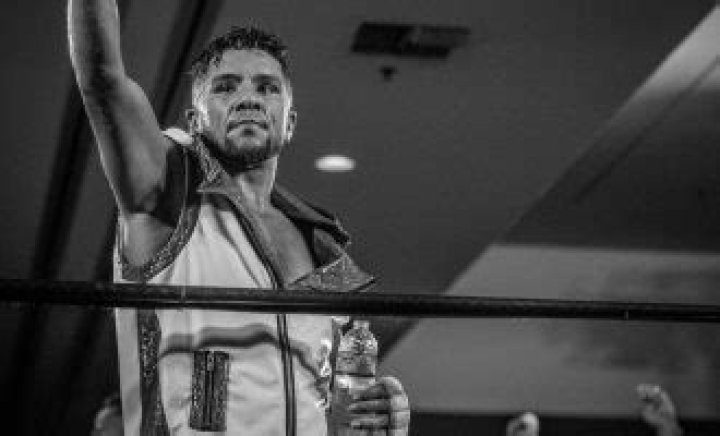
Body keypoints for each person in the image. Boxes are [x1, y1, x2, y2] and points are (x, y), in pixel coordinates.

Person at [67, 0, 410, 434]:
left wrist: (379, 416)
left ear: (290, 122)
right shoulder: (168, 190)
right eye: (226, 87)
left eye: (267, 88)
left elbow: (329, 408)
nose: (248, 98)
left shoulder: (322, 247)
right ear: (194, 120)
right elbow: (102, 80)